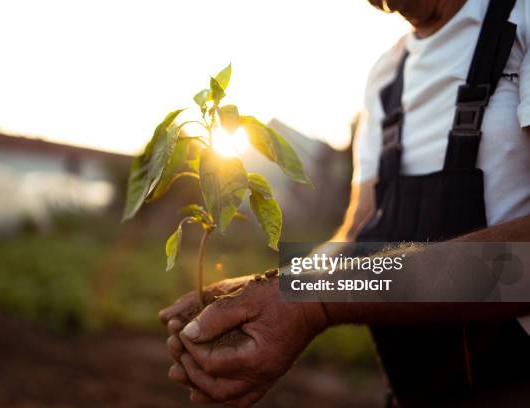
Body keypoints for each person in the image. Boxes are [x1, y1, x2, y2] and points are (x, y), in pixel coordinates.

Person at [159, 0, 530, 406]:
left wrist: (314, 302)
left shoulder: (521, 20)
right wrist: (271, 286)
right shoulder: (388, 75)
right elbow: (356, 231)